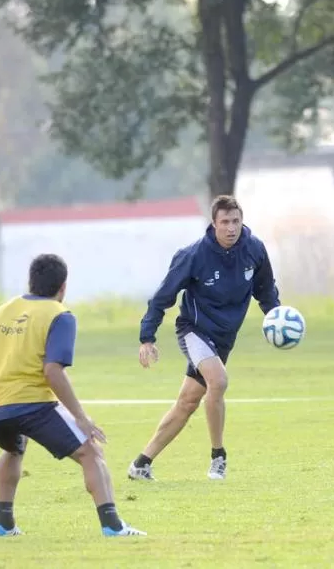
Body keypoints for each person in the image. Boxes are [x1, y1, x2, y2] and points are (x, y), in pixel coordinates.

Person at [0, 253, 145, 537]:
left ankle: (4, 525)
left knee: (13, 448)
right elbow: (53, 371)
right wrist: (81, 418)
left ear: (30, 282)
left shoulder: (2, 312)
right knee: (90, 451)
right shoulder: (59, 315)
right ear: (63, 287)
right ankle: (113, 526)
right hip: (30, 404)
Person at [129, 195, 281, 482]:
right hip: (194, 330)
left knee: (188, 402)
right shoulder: (193, 255)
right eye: (225, 222)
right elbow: (161, 298)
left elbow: (266, 290)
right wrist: (147, 337)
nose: (231, 228)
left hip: (224, 338)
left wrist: (276, 317)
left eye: (236, 221)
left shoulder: (254, 249)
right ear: (214, 224)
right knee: (219, 381)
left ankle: (141, 463)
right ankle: (218, 456)